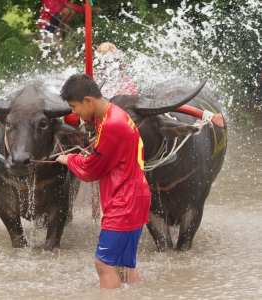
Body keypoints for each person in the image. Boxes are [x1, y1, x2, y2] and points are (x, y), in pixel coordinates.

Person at [56, 73, 151, 289]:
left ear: (88, 100)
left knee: (103, 264)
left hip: (124, 201)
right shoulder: (113, 114)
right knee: (125, 265)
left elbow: (91, 171)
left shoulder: (111, 124)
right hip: (137, 196)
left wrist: (68, 159)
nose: (73, 113)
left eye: (74, 106)